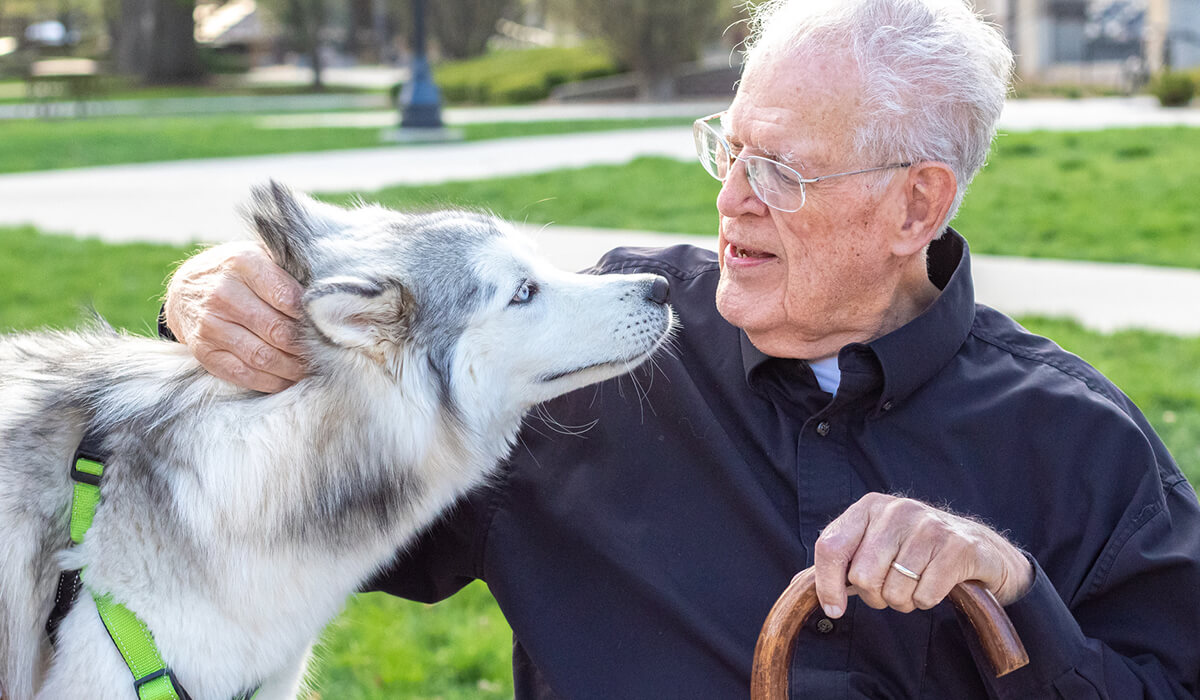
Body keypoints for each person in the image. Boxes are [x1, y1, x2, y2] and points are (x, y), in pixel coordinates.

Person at [161, 0, 1200, 696]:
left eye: (783, 170)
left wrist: (1014, 585)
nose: (731, 199)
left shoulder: (1074, 438)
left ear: (913, 205)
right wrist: (222, 311)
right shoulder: (596, 346)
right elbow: (307, 503)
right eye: (732, 147)